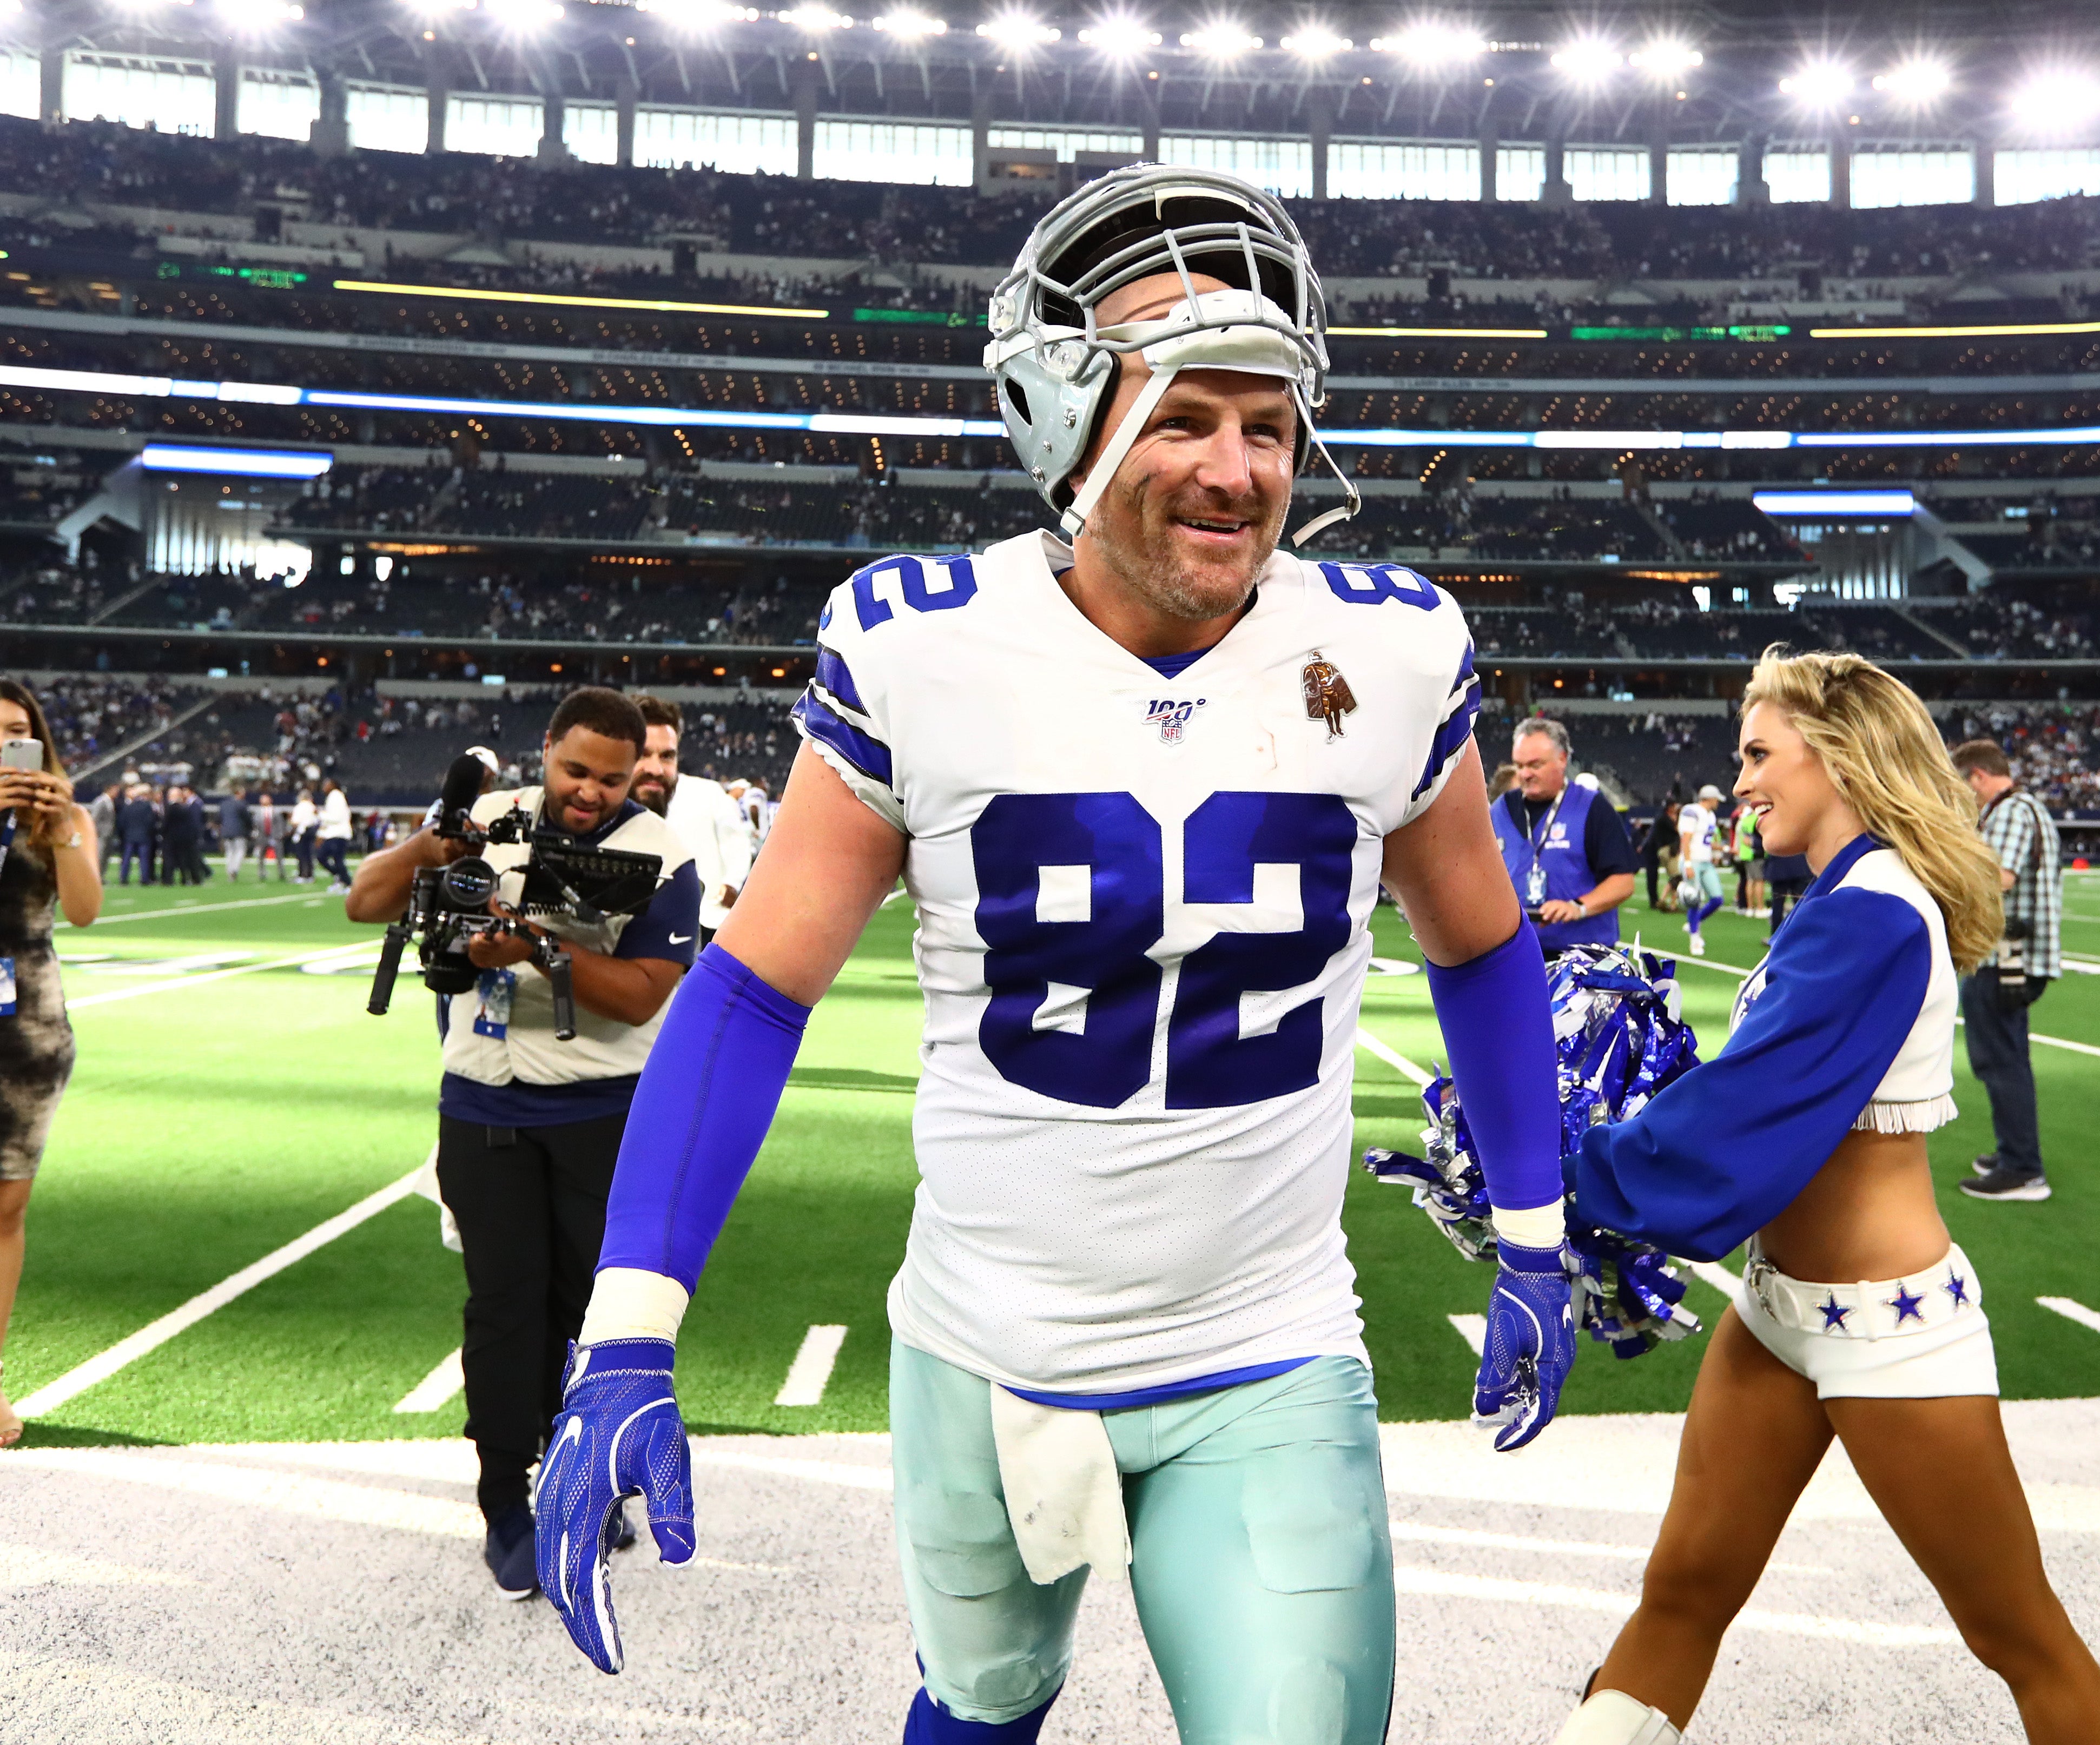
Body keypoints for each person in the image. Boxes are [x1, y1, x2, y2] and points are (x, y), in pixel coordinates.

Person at [532, 167, 1573, 1743]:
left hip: (1268, 1344)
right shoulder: (926, 643)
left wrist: (1536, 1230)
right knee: (985, 1702)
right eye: (1185, 416)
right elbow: (749, 989)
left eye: (1269, 424)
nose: (1238, 467)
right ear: (1063, 419)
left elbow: (1485, 950)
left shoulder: (1388, 643)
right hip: (989, 1348)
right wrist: (627, 1327)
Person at [1548, 650, 2100, 1745]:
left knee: (2018, 1634)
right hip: (1777, 1312)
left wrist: (1561, 1170)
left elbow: (1744, 1118)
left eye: (1758, 753)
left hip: (1886, 1329)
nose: (1741, 779)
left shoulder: (1871, 913)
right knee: (1682, 1592)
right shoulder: (1844, 900)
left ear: (1838, 755)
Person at [345, 688, 702, 1597]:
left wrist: (536, 947)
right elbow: (364, 901)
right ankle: (505, 1502)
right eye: (575, 769)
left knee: (586, 1312)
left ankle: (587, 1480)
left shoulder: (662, 851)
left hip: (599, 1110)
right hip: (482, 1103)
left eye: (610, 779)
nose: (589, 791)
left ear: (636, 775)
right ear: (546, 749)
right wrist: (431, 847)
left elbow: (639, 994)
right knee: (502, 1309)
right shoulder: (488, 819)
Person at [0, 678, 103, 1447]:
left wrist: (63, 825)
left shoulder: (62, 818)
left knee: (6, 1208)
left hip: (28, 1032)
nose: (6, 745)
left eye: (16, 730)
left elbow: (85, 909)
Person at [1949, 739, 2064, 1204]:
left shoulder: (2012, 811)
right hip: (2010, 957)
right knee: (2006, 1058)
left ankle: (2022, 1167)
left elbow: (2000, 876)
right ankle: (2013, 1153)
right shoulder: (2020, 808)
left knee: (2001, 1062)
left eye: (1964, 785)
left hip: (2007, 959)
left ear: (1978, 776)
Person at [1489, 717, 1637, 955]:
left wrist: (1578, 907)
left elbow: (1623, 881)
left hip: (1582, 958)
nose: (1525, 774)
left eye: (1535, 765)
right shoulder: (1500, 810)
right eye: (1519, 765)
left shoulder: (1592, 807)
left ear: (1562, 759)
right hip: (1516, 954)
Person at [628, 696, 755, 949]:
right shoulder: (605, 809)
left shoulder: (708, 794)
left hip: (707, 923)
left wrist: (731, 884)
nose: (656, 768)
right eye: (643, 754)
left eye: (667, 756)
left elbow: (736, 843)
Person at [1676, 783, 1726, 955]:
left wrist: (1723, 849)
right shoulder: (1692, 811)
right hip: (1693, 861)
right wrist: (1688, 864)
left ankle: (1693, 923)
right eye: (1716, 799)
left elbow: (1706, 841)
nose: (1718, 803)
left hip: (1705, 861)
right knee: (1694, 901)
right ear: (1709, 799)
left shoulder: (1711, 816)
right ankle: (1695, 940)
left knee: (1717, 899)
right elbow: (1686, 840)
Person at [315, 776, 354, 893]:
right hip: (335, 834)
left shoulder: (336, 796)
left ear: (332, 785)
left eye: (326, 784)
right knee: (332, 859)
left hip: (338, 834)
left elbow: (337, 818)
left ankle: (348, 883)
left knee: (326, 857)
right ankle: (341, 879)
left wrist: (320, 814)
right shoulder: (334, 796)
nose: (324, 787)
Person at [117, 783, 155, 885]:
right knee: (144, 859)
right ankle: (144, 879)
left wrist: (124, 834)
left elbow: (122, 822)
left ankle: (124, 878)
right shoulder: (147, 806)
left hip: (129, 836)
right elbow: (150, 822)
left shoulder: (128, 807)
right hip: (144, 836)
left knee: (126, 859)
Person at [219, 785, 250, 882]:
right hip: (239, 832)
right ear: (239, 793)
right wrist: (250, 829)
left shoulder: (224, 804)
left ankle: (230, 870)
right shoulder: (241, 804)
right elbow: (247, 819)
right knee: (240, 851)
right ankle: (234, 870)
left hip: (226, 831)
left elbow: (219, 818)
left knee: (230, 852)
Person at [88, 782, 117, 884]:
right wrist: (97, 832)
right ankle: (95, 877)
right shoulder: (101, 801)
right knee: (99, 856)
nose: (117, 792)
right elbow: (94, 818)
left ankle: (101, 877)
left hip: (108, 834)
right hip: (101, 834)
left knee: (106, 856)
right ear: (110, 789)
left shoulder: (110, 801)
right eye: (115, 790)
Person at [289, 787, 318, 883]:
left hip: (302, 831)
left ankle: (302, 875)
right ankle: (310, 875)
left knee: (301, 854)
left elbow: (295, 822)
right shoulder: (312, 806)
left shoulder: (299, 807)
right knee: (310, 853)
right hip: (311, 830)